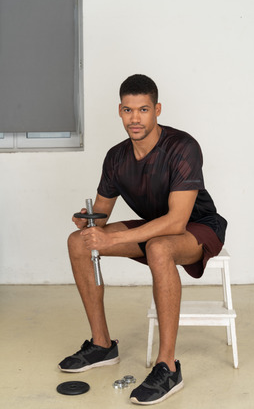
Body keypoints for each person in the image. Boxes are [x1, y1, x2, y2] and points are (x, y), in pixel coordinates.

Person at [58, 74, 227, 405]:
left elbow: (177, 221)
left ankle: (167, 366)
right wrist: (87, 220)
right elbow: (101, 214)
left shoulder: (183, 147)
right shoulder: (116, 157)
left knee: (159, 246)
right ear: (120, 112)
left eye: (143, 109)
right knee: (78, 241)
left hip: (198, 227)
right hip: (153, 226)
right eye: (128, 110)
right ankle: (102, 345)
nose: (135, 118)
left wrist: (113, 239)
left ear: (157, 110)